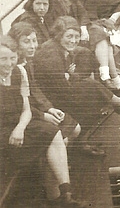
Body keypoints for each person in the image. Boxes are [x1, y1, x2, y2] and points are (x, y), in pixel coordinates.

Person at [0, 36, 88, 207]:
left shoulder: (19, 72)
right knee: (50, 138)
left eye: (12, 58)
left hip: (19, 124)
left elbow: (26, 110)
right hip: (2, 129)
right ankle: (57, 196)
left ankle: (65, 194)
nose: (8, 63)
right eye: (3, 59)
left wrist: (20, 127)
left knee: (53, 132)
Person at [8, 23, 105, 157]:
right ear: (15, 44)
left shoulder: (27, 61)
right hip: (22, 117)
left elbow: (34, 89)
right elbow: (19, 104)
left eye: (34, 40)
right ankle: (52, 166)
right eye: (26, 42)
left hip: (35, 109)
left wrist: (49, 108)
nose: (32, 46)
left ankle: (62, 157)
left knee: (75, 129)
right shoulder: (13, 68)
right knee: (62, 136)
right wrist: (44, 115)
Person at [32, 16, 120, 131]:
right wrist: (71, 76)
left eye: (76, 37)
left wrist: (70, 75)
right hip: (51, 98)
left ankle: (117, 103)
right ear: (59, 35)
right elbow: (63, 89)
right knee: (91, 88)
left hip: (60, 88)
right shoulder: (51, 55)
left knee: (86, 61)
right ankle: (119, 104)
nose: (73, 41)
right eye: (69, 36)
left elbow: (66, 79)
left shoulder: (60, 47)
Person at [87, 19, 120, 100]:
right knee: (100, 36)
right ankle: (117, 84)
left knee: (106, 43)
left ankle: (106, 78)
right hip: (76, 32)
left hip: (87, 27)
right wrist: (83, 26)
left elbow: (86, 15)